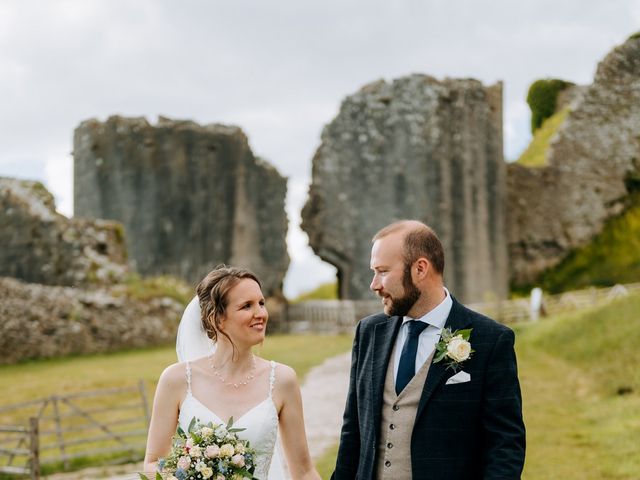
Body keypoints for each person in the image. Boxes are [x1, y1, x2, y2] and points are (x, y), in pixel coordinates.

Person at [332, 220, 525, 479]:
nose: (374, 284)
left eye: (383, 271)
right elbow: (352, 431)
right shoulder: (369, 332)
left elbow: (505, 444)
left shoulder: (491, 340)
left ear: (420, 269)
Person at [143, 265, 320, 480]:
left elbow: (303, 472)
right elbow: (152, 464)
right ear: (216, 318)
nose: (261, 313)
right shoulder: (176, 380)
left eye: (261, 303)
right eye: (247, 306)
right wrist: (192, 474)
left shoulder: (283, 380)